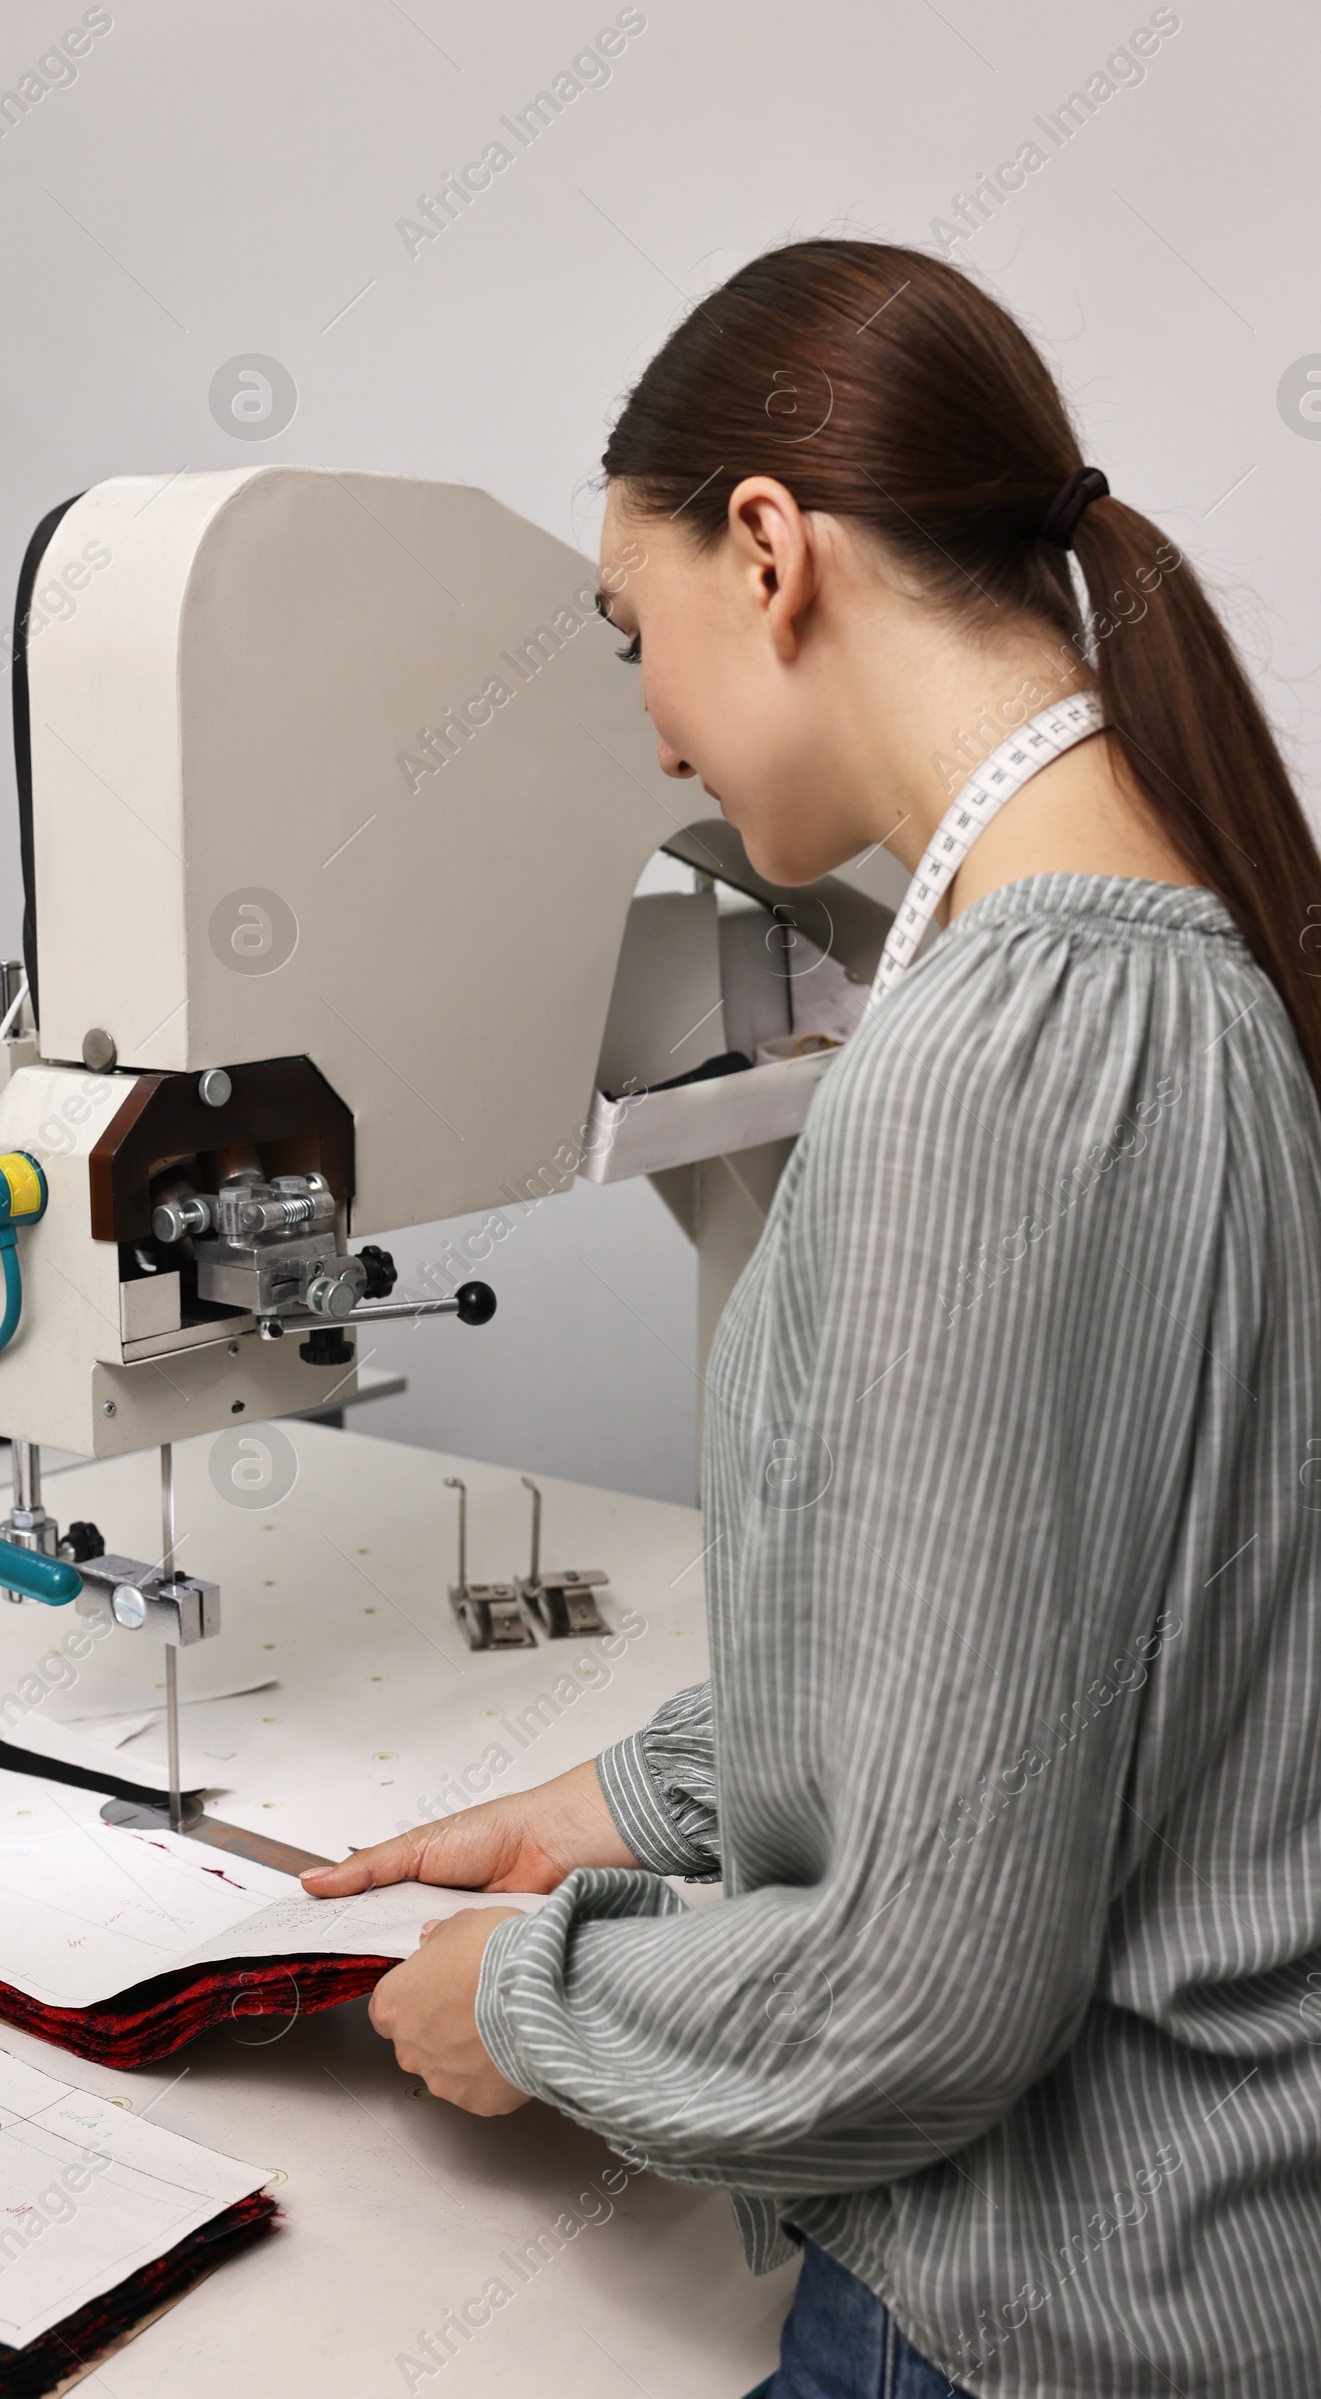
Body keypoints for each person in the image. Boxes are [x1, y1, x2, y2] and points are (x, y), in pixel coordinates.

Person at [301, 238, 1321, 2398]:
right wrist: (629, 1802)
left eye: (624, 638)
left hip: (1030, 2316)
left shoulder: (991, 1061)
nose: (651, 735)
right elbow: (1096, 1682)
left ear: (764, 553)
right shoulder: (1185, 954)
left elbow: (918, 1993)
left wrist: (520, 1999)